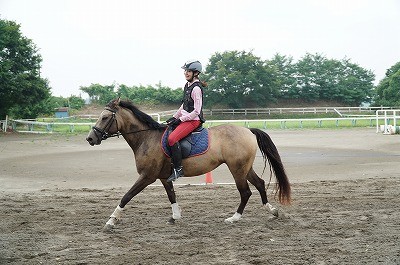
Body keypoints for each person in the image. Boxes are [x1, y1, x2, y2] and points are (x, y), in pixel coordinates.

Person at [166, 60, 207, 182]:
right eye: (185, 71)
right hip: (186, 118)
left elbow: (196, 111)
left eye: (188, 71)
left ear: (195, 73)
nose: (186, 73)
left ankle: (178, 169)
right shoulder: (187, 86)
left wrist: (181, 120)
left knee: (172, 139)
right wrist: (174, 117)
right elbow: (184, 105)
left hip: (194, 120)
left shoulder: (196, 89)